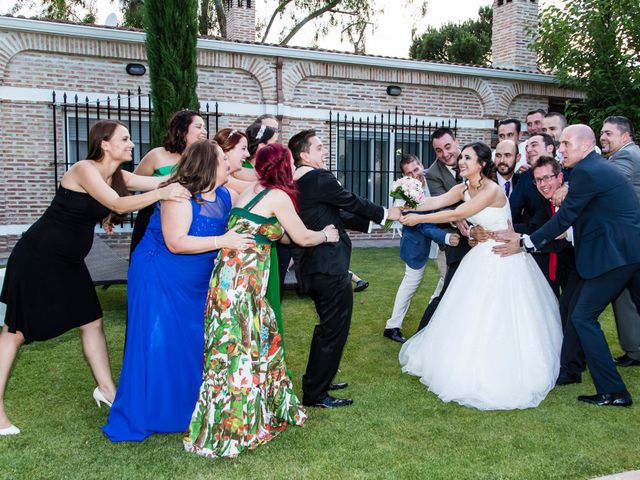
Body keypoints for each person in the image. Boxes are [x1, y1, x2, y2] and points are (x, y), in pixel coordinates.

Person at [0, 120, 191, 436]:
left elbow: (159, 181)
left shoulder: (117, 176)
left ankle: (107, 390)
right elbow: (118, 202)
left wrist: (201, 166)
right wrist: (161, 194)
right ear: (105, 143)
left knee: (92, 321)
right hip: (39, 257)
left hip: (70, 262)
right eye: (125, 138)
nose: (131, 144)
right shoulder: (84, 168)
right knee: (15, 331)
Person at [184, 143, 339, 458]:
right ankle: (234, 428)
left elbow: (268, 231)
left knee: (232, 347)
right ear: (284, 167)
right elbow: (302, 237)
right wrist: (326, 235)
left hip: (223, 282)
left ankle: (241, 414)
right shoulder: (279, 196)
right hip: (242, 284)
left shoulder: (251, 190)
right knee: (240, 350)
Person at [102, 140, 254, 442]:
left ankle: (187, 406)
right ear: (208, 165)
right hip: (159, 274)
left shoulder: (224, 194)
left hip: (195, 281)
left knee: (192, 340)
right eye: (222, 158)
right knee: (159, 342)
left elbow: (255, 197)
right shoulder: (180, 197)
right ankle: (153, 410)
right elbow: (176, 242)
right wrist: (222, 241)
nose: (228, 162)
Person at [398, 142, 562, 410]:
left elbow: (458, 213)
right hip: (480, 255)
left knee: (499, 315)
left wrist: (416, 218)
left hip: (503, 257)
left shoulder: (491, 190)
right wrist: (407, 200)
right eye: (461, 157)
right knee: (467, 311)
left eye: (467, 158)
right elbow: (435, 201)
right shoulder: (462, 187)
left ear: (482, 164)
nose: (461, 162)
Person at [517, 125, 640, 407]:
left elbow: (565, 218)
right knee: (578, 312)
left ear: (585, 146)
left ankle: (614, 391)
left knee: (583, 317)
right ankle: (577, 373)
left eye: (565, 144)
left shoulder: (586, 171)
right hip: (626, 252)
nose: (561, 149)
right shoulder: (596, 168)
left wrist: (528, 243)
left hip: (614, 256)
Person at [288, 129, 401, 409]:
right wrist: (386, 214)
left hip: (312, 266)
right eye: (319, 147)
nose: (324, 151)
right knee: (333, 330)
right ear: (304, 155)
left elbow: (335, 215)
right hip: (329, 266)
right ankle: (316, 394)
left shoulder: (296, 183)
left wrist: (376, 223)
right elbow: (350, 201)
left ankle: (319, 381)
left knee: (328, 328)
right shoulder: (318, 177)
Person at [384, 154, 454, 344]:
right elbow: (419, 224)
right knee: (411, 283)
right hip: (418, 242)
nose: (416, 175)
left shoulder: (434, 180)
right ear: (405, 177)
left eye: (416, 169)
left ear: (421, 165)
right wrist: (446, 236)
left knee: (447, 277)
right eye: (409, 173)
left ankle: (433, 312)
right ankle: (392, 326)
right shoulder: (404, 193)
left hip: (441, 239)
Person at [415, 127, 470, 332]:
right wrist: (459, 220)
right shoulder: (432, 174)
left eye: (448, 147)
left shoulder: (472, 158)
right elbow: (445, 205)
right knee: (448, 288)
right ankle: (430, 330)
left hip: (483, 236)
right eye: (439, 150)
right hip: (453, 238)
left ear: (456, 141)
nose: (445, 154)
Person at [129, 110, 207, 254]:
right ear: (182, 129)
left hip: (187, 222)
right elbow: (130, 185)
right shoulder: (157, 155)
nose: (204, 131)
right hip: (152, 219)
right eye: (199, 126)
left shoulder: (204, 160)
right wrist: (114, 214)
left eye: (204, 127)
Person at [600, 116, 640, 368]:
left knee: (629, 296)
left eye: (608, 133)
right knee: (626, 296)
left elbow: (605, 184)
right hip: (626, 239)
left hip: (629, 240)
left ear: (625, 136)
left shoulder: (627, 156)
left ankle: (635, 349)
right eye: (601, 132)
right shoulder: (624, 155)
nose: (602, 136)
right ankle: (635, 348)